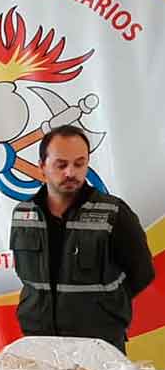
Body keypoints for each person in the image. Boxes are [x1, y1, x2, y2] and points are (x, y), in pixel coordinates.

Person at [10, 125, 155, 353]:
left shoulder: (113, 212)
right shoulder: (23, 214)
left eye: (79, 164)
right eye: (61, 164)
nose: (71, 172)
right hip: (39, 343)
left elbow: (142, 272)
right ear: (41, 167)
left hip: (99, 345)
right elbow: (24, 274)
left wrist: (104, 305)